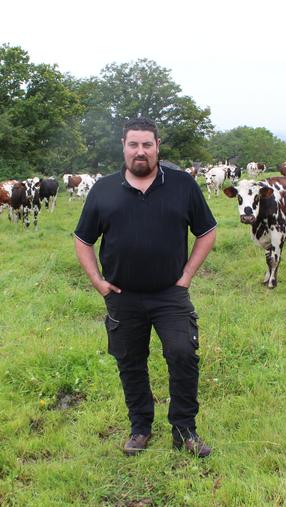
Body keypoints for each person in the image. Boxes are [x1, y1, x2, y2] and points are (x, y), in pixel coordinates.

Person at [74, 117, 217, 457]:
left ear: (157, 147)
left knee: (183, 354)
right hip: (122, 297)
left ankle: (184, 431)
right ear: (123, 147)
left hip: (170, 293)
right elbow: (82, 240)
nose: (141, 151)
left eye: (147, 145)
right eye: (134, 145)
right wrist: (99, 282)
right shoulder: (103, 190)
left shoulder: (182, 185)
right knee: (130, 360)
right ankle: (140, 428)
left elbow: (207, 232)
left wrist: (186, 277)